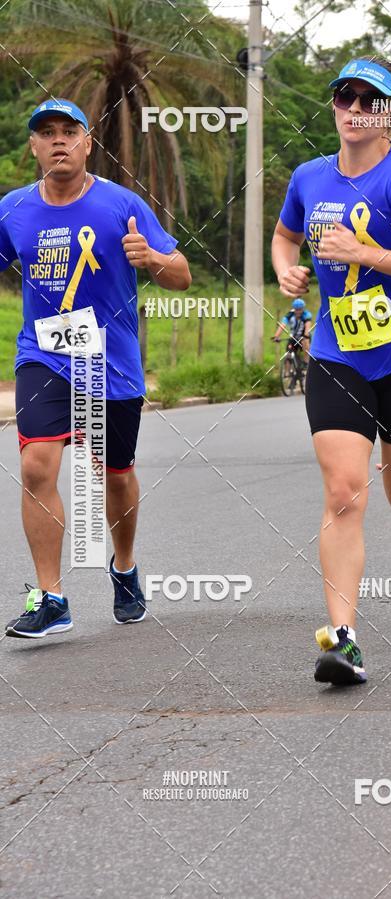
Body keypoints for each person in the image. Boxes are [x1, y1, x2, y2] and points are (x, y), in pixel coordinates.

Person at [271, 42, 391, 686]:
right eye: (344, 97)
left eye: (369, 101)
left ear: (389, 112)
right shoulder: (308, 177)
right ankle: (341, 639)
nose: (353, 109)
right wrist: (286, 272)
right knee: (345, 492)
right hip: (337, 355)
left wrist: (363, 251)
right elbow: (284, 234)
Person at [1, 98, 192, 638]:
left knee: (115, 475)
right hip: (44, 355)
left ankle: (124, 567)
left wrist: (151, 258)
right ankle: (51, 597)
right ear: (34, 147)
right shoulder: (13, 209)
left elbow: (182, 276)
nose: (58, 140)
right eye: (47, 133)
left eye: (70, 131)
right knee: (38, 464)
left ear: (88, 143)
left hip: (109, 363)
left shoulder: (121, 204)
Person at [272, 297, 312, 362]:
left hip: (304, 336)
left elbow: (308, 326)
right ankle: (286, 371)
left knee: (306, 343)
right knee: (288, 354)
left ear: (303, 309)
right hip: (294, 337)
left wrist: (306, 335)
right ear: (294, 309)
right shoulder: (290, 315)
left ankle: (306, 364)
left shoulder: (306, 314)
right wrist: (276, 336)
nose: (298, 312)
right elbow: (282, 325)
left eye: (300, 310)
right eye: (296, 310)